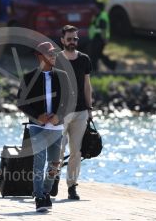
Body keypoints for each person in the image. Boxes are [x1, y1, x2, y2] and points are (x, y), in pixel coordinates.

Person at [17, 42, 70, 212]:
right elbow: (21, 102)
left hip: (56, 127)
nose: (54, 55)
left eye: (54, 53)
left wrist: (58, 116)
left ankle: (46, 192)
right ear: (40, 56)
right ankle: (39, 196)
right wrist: (37, 117)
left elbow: (68, 102)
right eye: (50, 53)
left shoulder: (63, 76)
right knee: (38, 162)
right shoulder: (28, 77)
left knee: (55, 164)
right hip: (37, 126)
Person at [58, 25, 93, 200]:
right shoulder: (56, 59)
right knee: (58, 149)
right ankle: (52, 181)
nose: (73, 42)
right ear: (62, 40)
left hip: (81, 112)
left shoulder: (84, 59)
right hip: (61, 113)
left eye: (75, 39)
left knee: (76, 152)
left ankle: (72, 186)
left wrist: (90, 108)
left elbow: (87, 85)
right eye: (69, 39)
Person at [88, 2, 116, 72]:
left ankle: (95, 69)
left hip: (99, 39)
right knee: (99, 54)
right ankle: (112, 65)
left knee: (94, 55)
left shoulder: (102, 17)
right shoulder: (98, 15)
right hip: (96, 38)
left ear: (98, 9)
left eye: (96, 8)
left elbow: (103, 29)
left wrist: (104, 39)